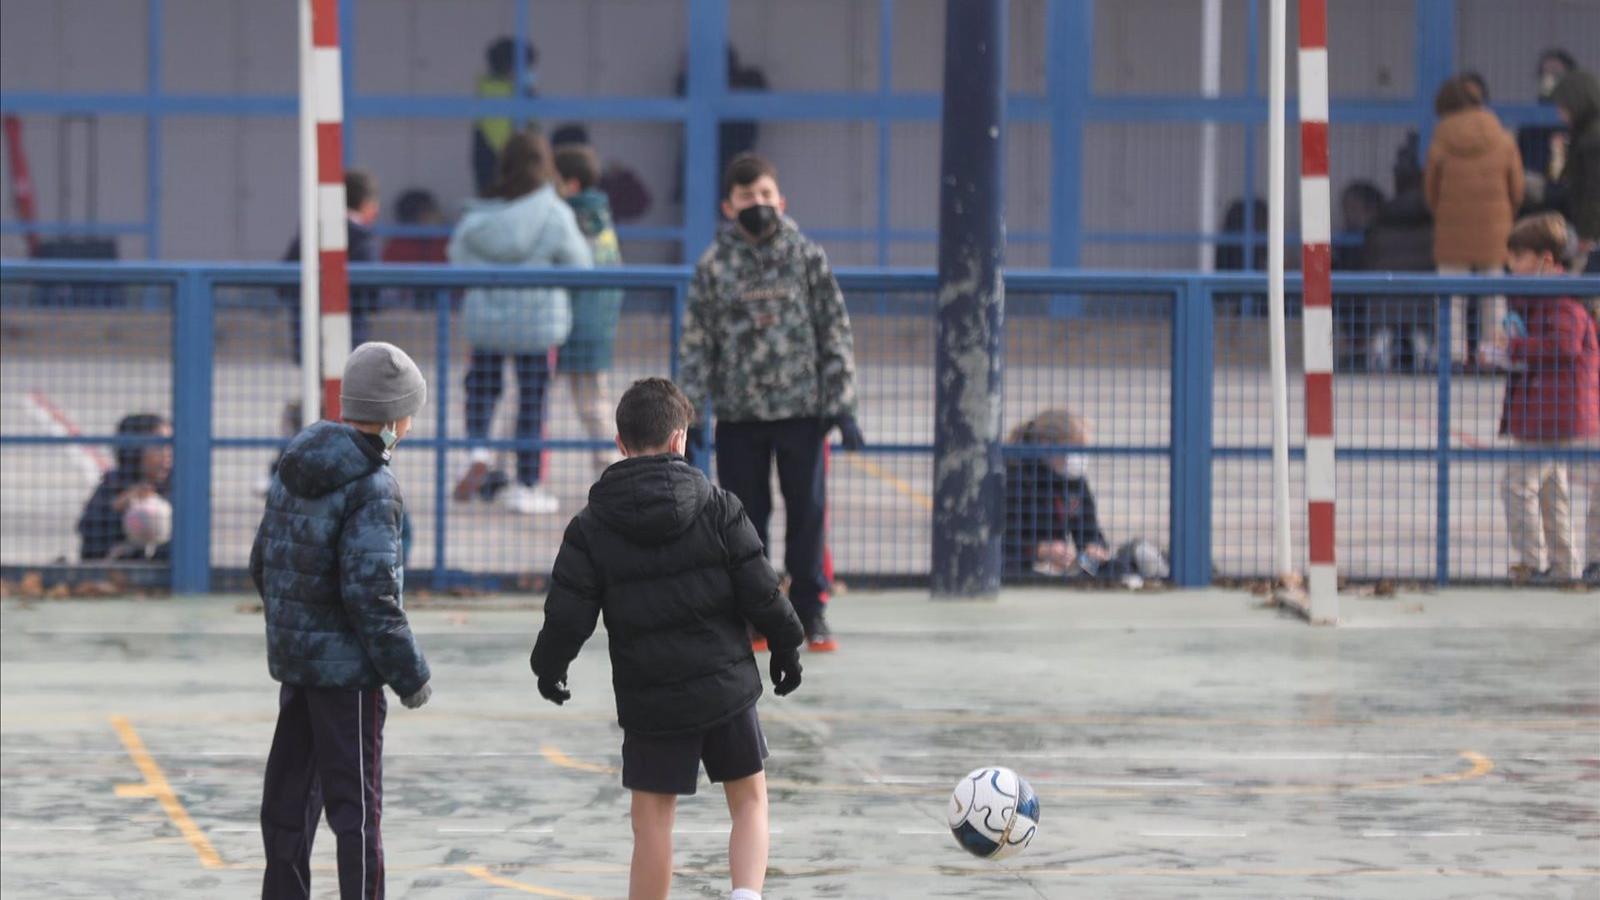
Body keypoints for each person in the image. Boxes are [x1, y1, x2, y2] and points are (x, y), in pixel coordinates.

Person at [529, 377, 804, 900]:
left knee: (652, 823)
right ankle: (745, 894)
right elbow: (761, 588)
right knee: (749, 801)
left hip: (650, 698)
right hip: (725, 688)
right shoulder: (720, 507)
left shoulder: (591, 527)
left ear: (621, 444)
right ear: (681, 439)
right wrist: (786, 643)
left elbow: (568, 612)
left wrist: (550, 664)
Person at [250, 342, 433, 899]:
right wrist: (411, 674)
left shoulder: (296, 466)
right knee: (356, 812)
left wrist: (294, 629)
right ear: (394, 416)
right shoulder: (373, 486)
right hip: (349, 678)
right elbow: (372, 596)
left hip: (297, 666)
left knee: (289, 800)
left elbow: (263, 561)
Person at [678, 153, 862, 652]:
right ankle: (756, 615)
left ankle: (811, 612)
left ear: (780, 200)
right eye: (745, 197)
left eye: (764, 195)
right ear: (727, 205)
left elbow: (834, 329)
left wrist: (842, 403)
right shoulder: (714, 266)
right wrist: (691, 412)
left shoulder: (807, 257)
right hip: (740, 416)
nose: (756, 205)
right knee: (744, 521)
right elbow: (697, 343)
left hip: (803, 411)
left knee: (808, 515)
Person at [449, 131, 593, 515]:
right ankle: (526, 485)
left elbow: (456, 259)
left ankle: (477, 449)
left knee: (481, 387)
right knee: (532, 401)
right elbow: (581, 265)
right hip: (537, 323)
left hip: (485, 321)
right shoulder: (556, 214)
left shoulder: (480, 214)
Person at [1481, 215, 1599, 583]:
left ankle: (1531, 563)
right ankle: (1564, 566)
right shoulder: (1532, 302)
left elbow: (1563, 346)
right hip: (1545, 410)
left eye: (1518, 258)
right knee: (1552, 489)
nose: (1510, 266)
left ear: (1546, 260)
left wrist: (1514, 346)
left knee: (1516, 484)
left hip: (1557, 414)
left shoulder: (1563, 302)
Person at [1426, 75, 1525, 369]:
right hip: (1496, 229)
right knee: (1493, 295)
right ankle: (1493, 353)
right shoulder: (1503, 138)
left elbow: (1430, 189)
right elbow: (1517, 189)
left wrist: (1443, 214)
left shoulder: (1441, 140)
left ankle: (1453, 354)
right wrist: (1506, 215)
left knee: (1450, 296)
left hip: (1451, 229)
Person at [554, 143, 627, 474]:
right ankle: (611, 464)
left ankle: (494, 462)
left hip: (566, 324)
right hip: (598, 325)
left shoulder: (566, 217)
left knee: (526, 401)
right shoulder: (603, 217)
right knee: (594, 404)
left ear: (570, 184)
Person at [283, 169, 382, 356]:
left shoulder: (311, 233)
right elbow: (372, 293)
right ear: (366, 203)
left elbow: (285, 279)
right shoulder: (363, 240)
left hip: (307, 333)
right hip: (349, 336)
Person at [1002, 410, 1107, 580]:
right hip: (1012, 566)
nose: (1078, 458)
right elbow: (1000, 539)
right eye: (1073, 449)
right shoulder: (1012, 475)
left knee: (1107, 569)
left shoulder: (1073, 479)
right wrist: (1040, 550)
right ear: (1046, 444)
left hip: (1061, 567)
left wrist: (1093, 548)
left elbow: (1089, 530)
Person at [78, 413, 172, 561]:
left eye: (170, 445)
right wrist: (118, 507)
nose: (167, 454)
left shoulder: (177, 487)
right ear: (136, 450)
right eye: (159, 447)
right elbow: (87, 532)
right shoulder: (114, 484)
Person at [473, 36, 539, 196]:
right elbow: (506, 144)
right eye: (528, 67)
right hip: (502, 181)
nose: (532, 73)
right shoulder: (495, 95)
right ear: (511, 68)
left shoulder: (515, 94)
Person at [1518, 49, 1578, 210]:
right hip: (1534, 205)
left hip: (1570, 206)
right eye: (1544, 75)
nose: (1548, 80)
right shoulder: (1532, 122)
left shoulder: (1579, 122)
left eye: (1556, 75)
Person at [1550, 69, 1600, 253]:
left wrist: (1587, 235)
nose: (1560, 114)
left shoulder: (1592, 139)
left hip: (1590, 232)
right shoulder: (1582, 134)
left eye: (1563, 107)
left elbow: (1593, 191)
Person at [380, 189, 449, 265]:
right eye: (432, 211)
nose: (440, 216)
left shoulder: (444, 243)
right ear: (420, 216)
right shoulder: (397, 247)